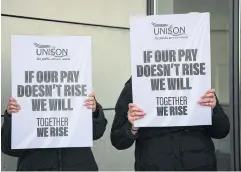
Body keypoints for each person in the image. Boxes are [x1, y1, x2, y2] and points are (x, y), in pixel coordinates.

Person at [110, 77, 230, 171]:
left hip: (200, 165)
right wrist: (132, 126)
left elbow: (222, 131)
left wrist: (213, 110)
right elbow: (118, 140)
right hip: (155, 166)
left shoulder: (197, 79)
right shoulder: (137, 83)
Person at [2, 93, 107, 171]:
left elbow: (96, 133)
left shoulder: (79, 95)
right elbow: (8, 148)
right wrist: (11, 117)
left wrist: (94, 111)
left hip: (79, 166)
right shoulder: (23, 99)